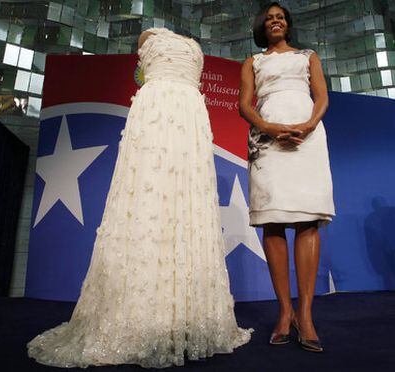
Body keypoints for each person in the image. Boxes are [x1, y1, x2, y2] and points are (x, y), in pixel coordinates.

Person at [27, 27, 252, 368]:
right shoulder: (148, 37)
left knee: (186, 207)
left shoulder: (195, 48)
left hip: (189, 118)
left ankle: (186, 316)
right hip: (155, 113)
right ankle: (142, 314)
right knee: (147, 202)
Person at [239, 2, 335, 353]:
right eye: (269, 18)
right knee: (273, 222)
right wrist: (270, 127)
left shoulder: (308, 56)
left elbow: (321, 96)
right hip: (267, 141)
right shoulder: (253, 62)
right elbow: (245, 105)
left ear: (288, 24)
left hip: (307, 139)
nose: (275, 21)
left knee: (308, 220)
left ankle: (306, 315)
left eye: (280, 17)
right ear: (262, 27)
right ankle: (285, 313)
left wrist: (308, 125)